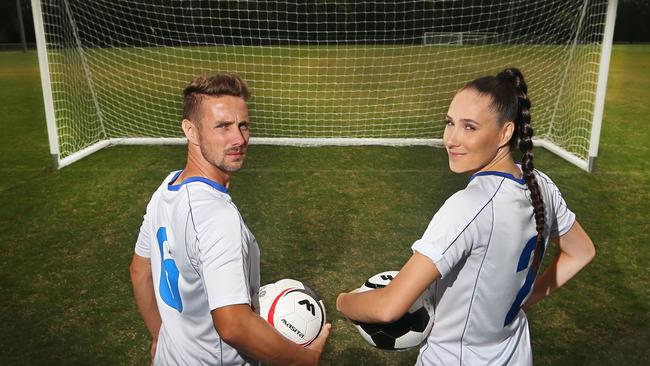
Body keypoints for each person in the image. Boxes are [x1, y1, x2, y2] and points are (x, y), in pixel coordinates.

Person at [336, 68, 595, 365]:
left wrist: (344, 301)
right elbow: (582, 251)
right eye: (449, 123)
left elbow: (388, 307)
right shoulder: (540, 185)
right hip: (515, 354)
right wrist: (519, 301)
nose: (451, 139)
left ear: (505, 132)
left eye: (469, 127)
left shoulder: (468, 207)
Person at [129, 73, 330, 365]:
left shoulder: (167, 187)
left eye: (243, 125)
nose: (239, 139)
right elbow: (233, 324)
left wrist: (159, 337)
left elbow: (140, 271)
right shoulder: (217, 217)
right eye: (222, 126)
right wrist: (304, 360)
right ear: (191, 131)